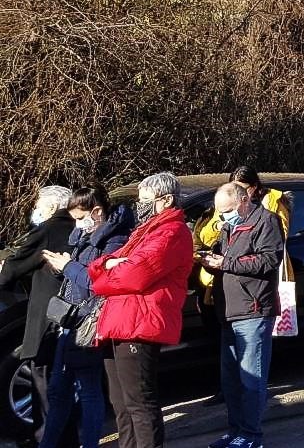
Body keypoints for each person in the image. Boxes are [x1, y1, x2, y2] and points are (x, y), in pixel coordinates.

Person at [89, 172, 194, 448]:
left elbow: (133, 274)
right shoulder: (146, 230)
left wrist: (108, 273)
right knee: (120, 402)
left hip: (140, 323)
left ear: (166, 200)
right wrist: (108, 268)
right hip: (121, 321)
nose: (140, 204)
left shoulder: (172, 232)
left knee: (139, 401)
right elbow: (106, 263)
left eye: (146, 199)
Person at [39, 187, 133, 448]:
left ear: (97, 211)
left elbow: (99, 283)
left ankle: (90, 443)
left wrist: (68, 266)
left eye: (81, 218)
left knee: (88, 388)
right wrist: (62, 268)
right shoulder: (83, 235)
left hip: (89, 321)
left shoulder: (114, 239)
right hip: (70, 320)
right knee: (59, 390)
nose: (78, 224)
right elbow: (79, 274)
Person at [200, 183, 285, 448]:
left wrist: (225, 263)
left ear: (244, 200)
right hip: (229, 309)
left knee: (251, 379)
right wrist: (212, 263)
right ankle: (236, 430)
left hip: (253, 309)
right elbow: (229, 261)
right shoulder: (227, 226)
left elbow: (269, 260)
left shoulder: (266, 221)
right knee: (231, 380)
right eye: (220, 212)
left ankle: (251, 435)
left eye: (227, 211)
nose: (223, 216)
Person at [0, 186, 74, 447]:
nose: (36, 210)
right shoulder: (76, 226)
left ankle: (46, 439)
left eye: (39, 204)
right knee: (62, 383)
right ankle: (64, 438)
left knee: (43, 380)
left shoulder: (48, 229)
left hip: (46, 316)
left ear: (52, 207)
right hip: (69, 315)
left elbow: (13, 267)